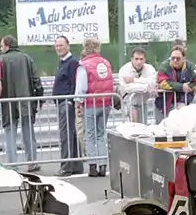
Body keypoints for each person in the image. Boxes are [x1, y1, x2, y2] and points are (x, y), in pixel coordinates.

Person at [0, 35, 42, 172]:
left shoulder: (0, 60)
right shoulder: (26, 58)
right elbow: (36, 80)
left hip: (7, 101)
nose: (0, 48)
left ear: (7, 45)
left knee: (10, 133)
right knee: (28, 131)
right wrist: (39, 99)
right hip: (26, 101)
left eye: (1, 45)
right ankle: (32, 161)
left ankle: (12, 164)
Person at [75, 37, 114, 177]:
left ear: (85, 48)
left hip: (91, 103)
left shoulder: (83, 65)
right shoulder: (106, 63)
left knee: (89, 135)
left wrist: (78, 103)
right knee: (100, 134)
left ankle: (92, 166)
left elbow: (81, 87)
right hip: (105, 103)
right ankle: (103, 165)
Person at [51, 35, 83, 177]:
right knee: (71, 134)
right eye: (57, 46)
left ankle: (66, 166)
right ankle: (75, 165)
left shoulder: (72, 62)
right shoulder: (63, 62)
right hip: (63, 102)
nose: (58, 48)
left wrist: (70, 100)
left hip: (67, 102)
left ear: (68, 46)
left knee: (66, 134)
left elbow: (74, 82)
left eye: (61, 45)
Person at [156, 45, 196, 119]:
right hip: (164, 103)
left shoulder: (190, 66)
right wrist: (182, 87)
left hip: (184, 101)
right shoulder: (165, 65)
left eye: (178, 58)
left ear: (184, 58)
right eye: (173, 58)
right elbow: (161, 83)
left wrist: (189, 86)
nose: (175, 60)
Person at [118, 47, 157, 124]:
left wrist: (134, 80)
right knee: (134, 128)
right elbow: (126, 88)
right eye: (136, 59)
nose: (139, 62)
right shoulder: (124, 69)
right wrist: (145, 87)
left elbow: (152, 82)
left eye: (141, 59)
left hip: (143, 102)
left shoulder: (149, 68)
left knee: (143, 127)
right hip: (128, 102)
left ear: (145, 60)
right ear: (131, 59)